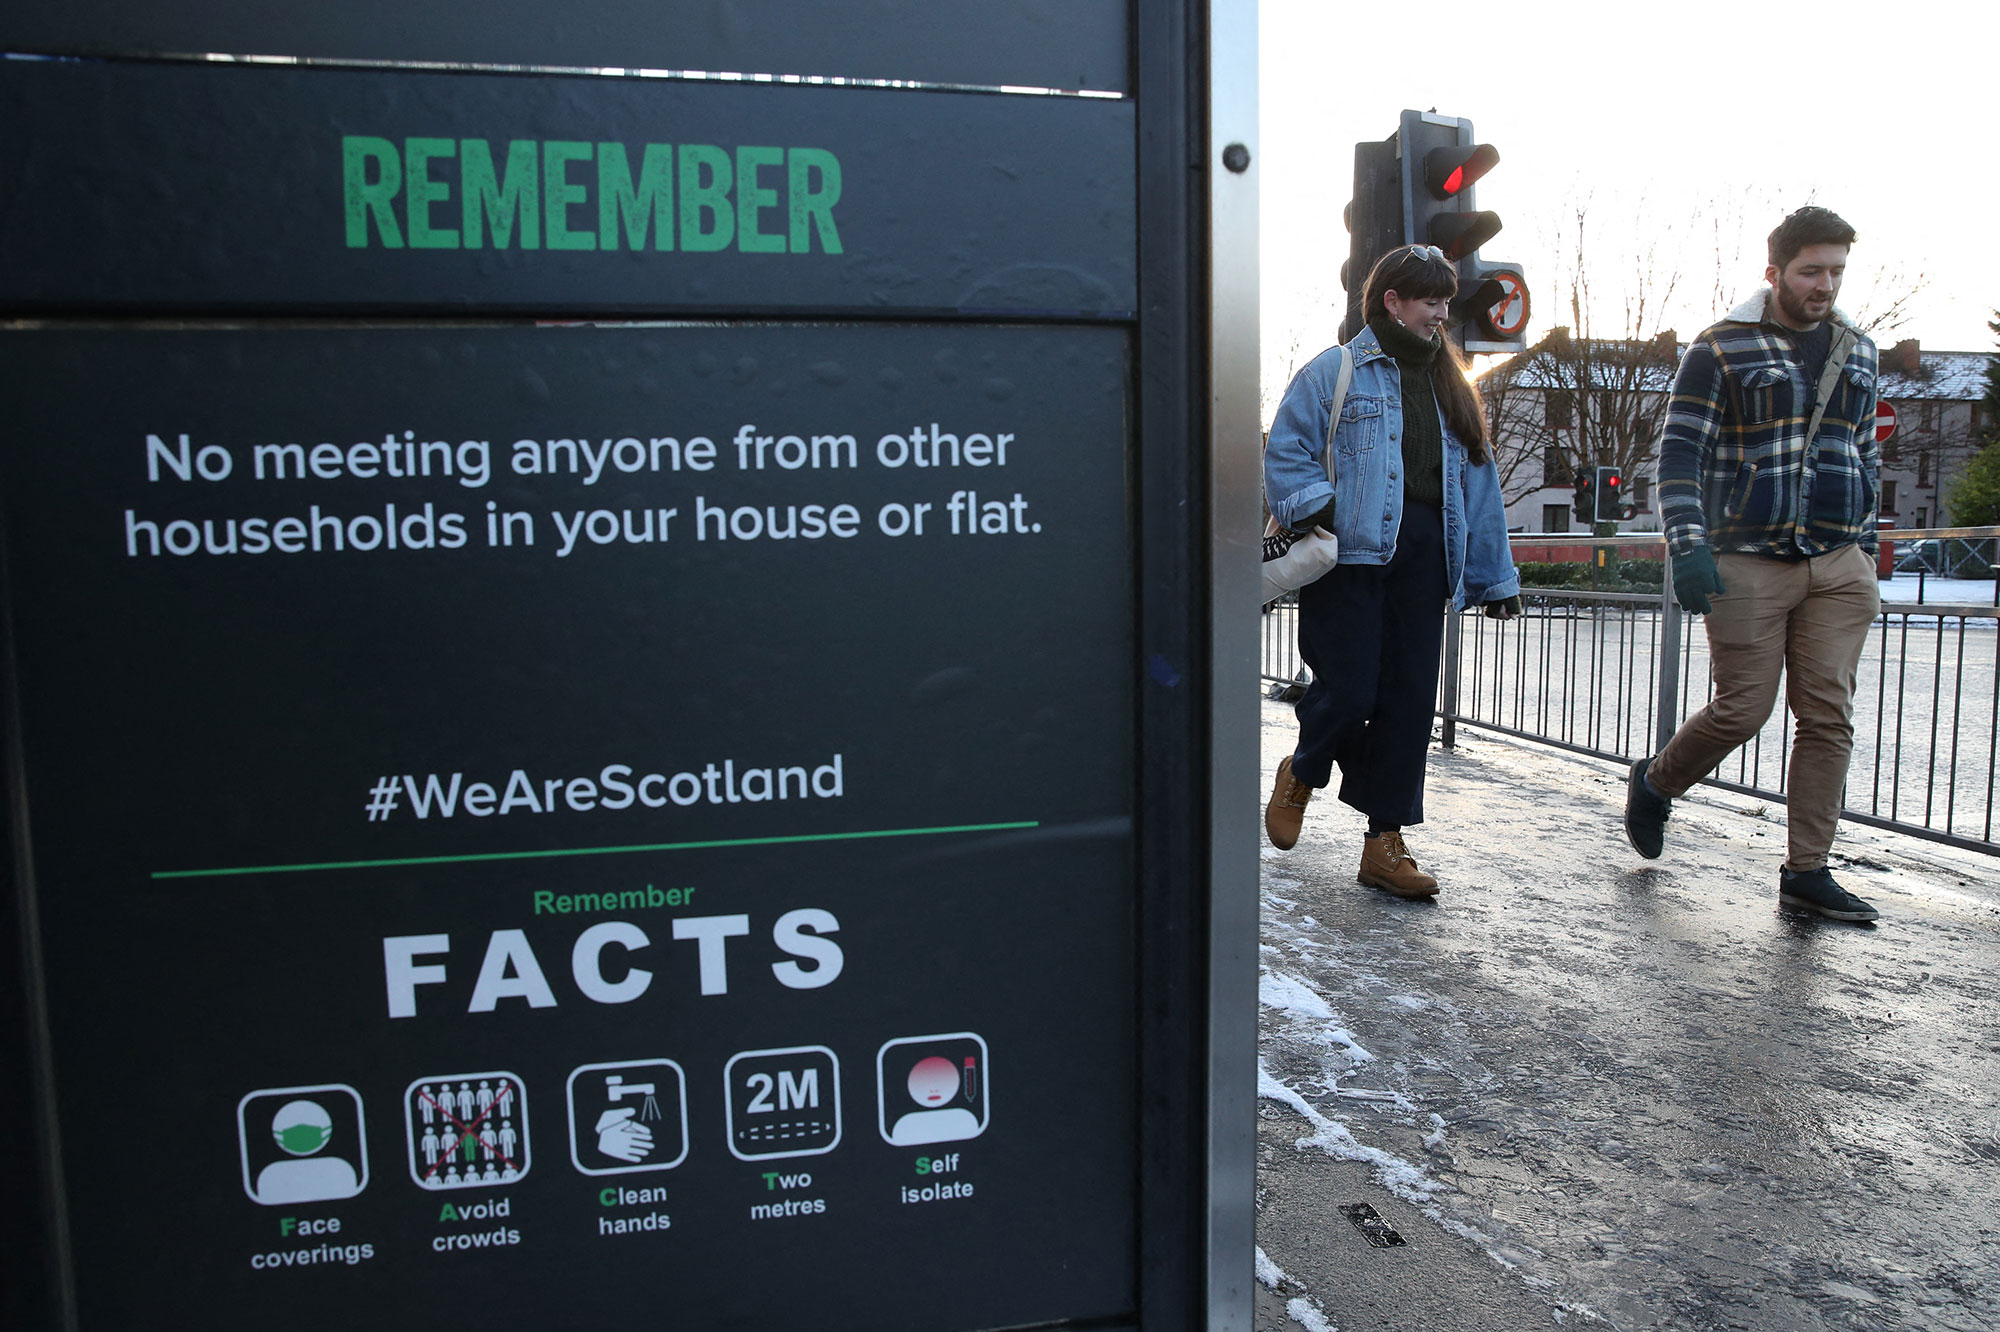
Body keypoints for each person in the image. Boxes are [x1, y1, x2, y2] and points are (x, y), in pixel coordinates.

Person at [1624, 206, 1882, 923]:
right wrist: (1688, 545)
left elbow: (1865, 451)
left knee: (1827, 717)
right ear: (1776, 272)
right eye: (1810, 271)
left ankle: (1808, 871)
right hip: (1748, 557)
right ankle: (1656, 782)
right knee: (1744, 707)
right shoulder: (1721, 348)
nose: (1824, 284)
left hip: (1838, 560)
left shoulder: (1860, 350)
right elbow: (1680, 455)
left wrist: (1866, 546)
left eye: (1835, 271)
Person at [1262, 245, 1520, 896]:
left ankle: (1384, 844)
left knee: (1408, 705)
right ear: (1392, 301)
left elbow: (1480, 487)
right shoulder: (1336, 370)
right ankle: (1303, 770)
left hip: (1427, 561)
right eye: (1430, 300)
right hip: (1350, 559)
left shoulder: (1452, 385)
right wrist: (1319, 507)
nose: (1441, 313)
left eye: (1446, 301)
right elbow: (1286, 448)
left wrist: (1495, 577)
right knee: (1350, 691)